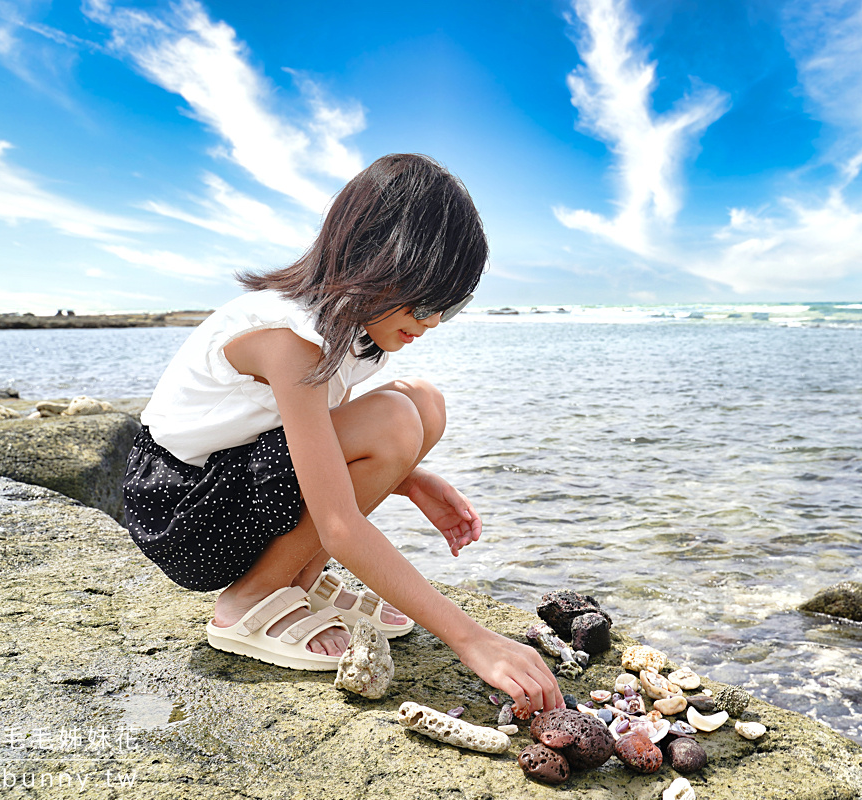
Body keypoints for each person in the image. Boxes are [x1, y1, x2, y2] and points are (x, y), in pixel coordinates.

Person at [122, 153, 563, 716]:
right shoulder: (290, 336)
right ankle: (250, 599)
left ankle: (294, 583)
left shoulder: (355, 332)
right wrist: (473, 638)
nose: (430, 324)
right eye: (426, 302)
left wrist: (407, 476)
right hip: (182, 512)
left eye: (449, 309)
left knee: (423, 401)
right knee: (396, 420)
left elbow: (315, 442)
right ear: (373, 261)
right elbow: (338, 524)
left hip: (226, 483)